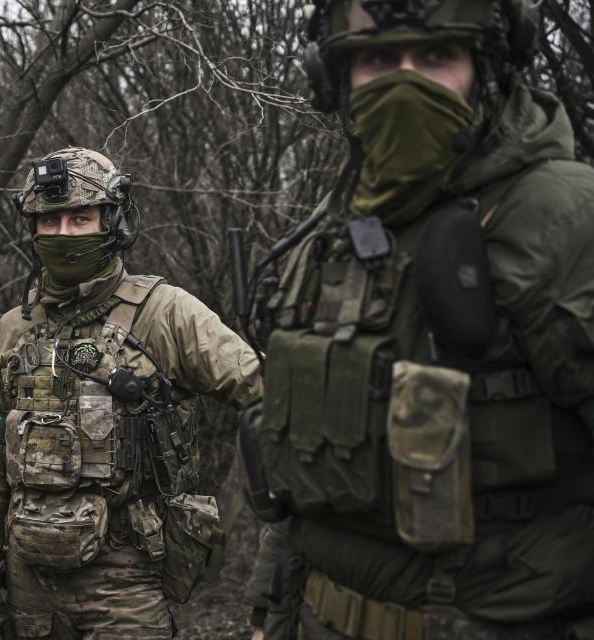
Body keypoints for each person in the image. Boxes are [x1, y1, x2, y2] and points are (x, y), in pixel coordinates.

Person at [243, 0, 594, 638]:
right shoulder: (334, 227)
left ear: (487, 67)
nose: (406, 83)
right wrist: (273, 610)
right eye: (379, 59)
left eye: (435, 56)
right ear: (336, 78)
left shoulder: (560, 219)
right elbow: (305, 474)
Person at [0, 146, 263, 639]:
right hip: (27, 585)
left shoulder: (167, 313)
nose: (63, 234)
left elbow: (265, 398)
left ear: (113, 221)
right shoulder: (13, 330)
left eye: (80, 219)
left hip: (128, 582)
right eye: (49, 221)